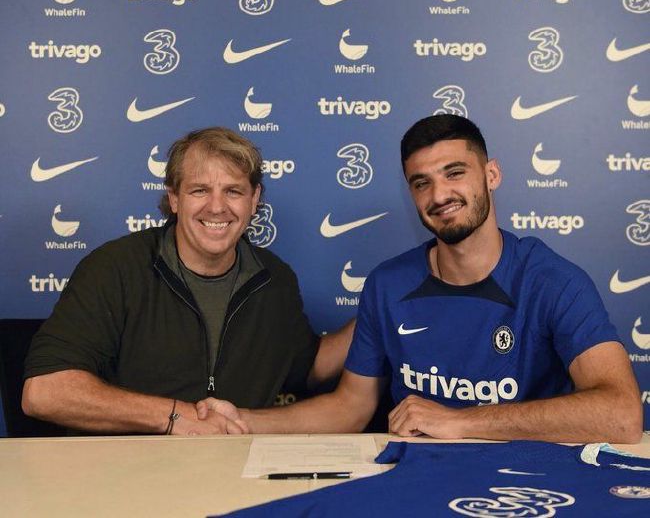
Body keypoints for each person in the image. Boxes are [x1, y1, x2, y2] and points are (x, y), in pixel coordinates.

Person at [207, 114, 642, 443]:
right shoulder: (389, 284)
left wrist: (459, 421)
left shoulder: (552, 280)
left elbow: (622, 415)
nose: (439, 196)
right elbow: (349, 409)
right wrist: (240, 420)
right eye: (421, 183)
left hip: (523, 482)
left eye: (455, 173)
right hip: (415, 480)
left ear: (491, 175)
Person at [22, 127, 354, 435]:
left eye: (233, 191)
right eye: (200, 190)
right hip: (121, 479)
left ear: (254, 200)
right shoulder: (114, 268)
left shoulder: (275, 278)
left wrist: (381, 307)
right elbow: (45, 391)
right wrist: (174, 418)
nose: (217, 207)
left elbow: (303, 367)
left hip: (234, 474)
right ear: (175, 199)